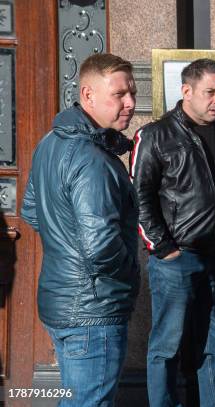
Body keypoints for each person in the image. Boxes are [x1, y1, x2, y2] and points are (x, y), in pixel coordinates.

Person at [21, 53, 139, 406]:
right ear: (87, 95)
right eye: (119, 94)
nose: (130, 103)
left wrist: (70, 249)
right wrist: (130, 271)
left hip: (66, 302)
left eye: (132, 92)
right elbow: (101, 248)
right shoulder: (91, 158)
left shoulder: (50, 142)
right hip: (93, 310)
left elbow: (31, 210)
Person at [130, 58, 215, 407]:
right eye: (210, 92)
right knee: (166, 347)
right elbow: (139, 197)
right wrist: (163, 248)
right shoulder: (155, 135)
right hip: (176, 259)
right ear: (186, 91)